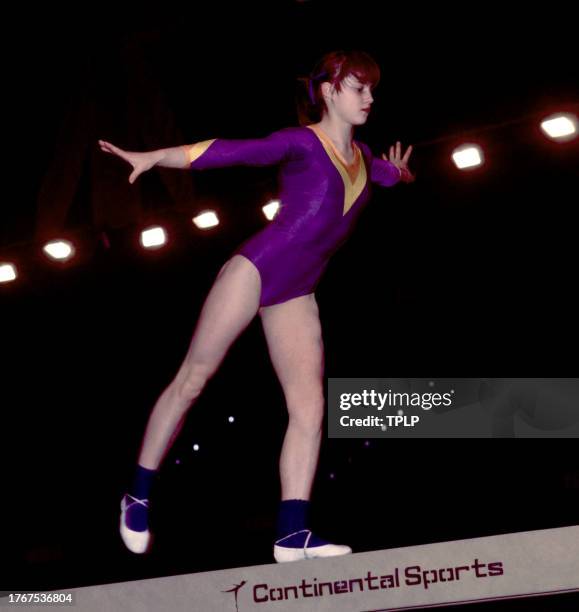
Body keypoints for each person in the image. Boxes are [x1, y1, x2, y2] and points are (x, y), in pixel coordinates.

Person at [99, 49, 414, 562]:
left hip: (299, 291)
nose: (370, 97)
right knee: (192, 379)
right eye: (359, 87)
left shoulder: (364, 156)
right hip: (257, 269)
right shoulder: (300, 144)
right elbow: (229, 151)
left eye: (372, 89)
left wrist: (402, 175)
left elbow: (383, 176)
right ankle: (136, 494)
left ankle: (292, 533)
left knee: (310, 409)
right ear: (329, 91)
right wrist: (157, 156)